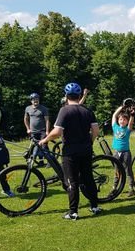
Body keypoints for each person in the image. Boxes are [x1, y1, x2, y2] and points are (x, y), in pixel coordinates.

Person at [39, 82, 102, 221]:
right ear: (79, 96)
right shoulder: (87, 110)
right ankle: (95, 206)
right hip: (86, 150)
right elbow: (96, 130)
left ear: (66, 96)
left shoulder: (65, 110)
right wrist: (90, 142)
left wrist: (45, 140)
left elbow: (57, 132)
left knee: (71, 181)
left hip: (70, 152)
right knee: (88, 178)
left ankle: (73, 212)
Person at [111, 104, 135, 196]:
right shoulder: (115, 127)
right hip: (116, 153)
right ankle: (114, 188)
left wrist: (132, 115)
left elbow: (131, 123)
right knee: (117, 171)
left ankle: (131, 188)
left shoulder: (127, 129)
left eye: (124, 120)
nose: (122, 121)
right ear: (118, 120)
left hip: (126, 153)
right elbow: (114, 115)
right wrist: (121, 107)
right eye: (121, 119)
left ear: (127, 121)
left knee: (128, 170)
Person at [24, 92, 50, 165]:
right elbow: (25, 119)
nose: (36, 100)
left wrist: (47, 131)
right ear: (31, 100)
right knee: (35, 146)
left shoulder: (43, 109)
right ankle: (41, 161)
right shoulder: (28, 108)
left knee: (44, 146)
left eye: (37, 99)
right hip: (33, 132)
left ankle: (49, 161)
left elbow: (47, 120)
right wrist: (28, 129)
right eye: (34, 99)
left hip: (42, 131)